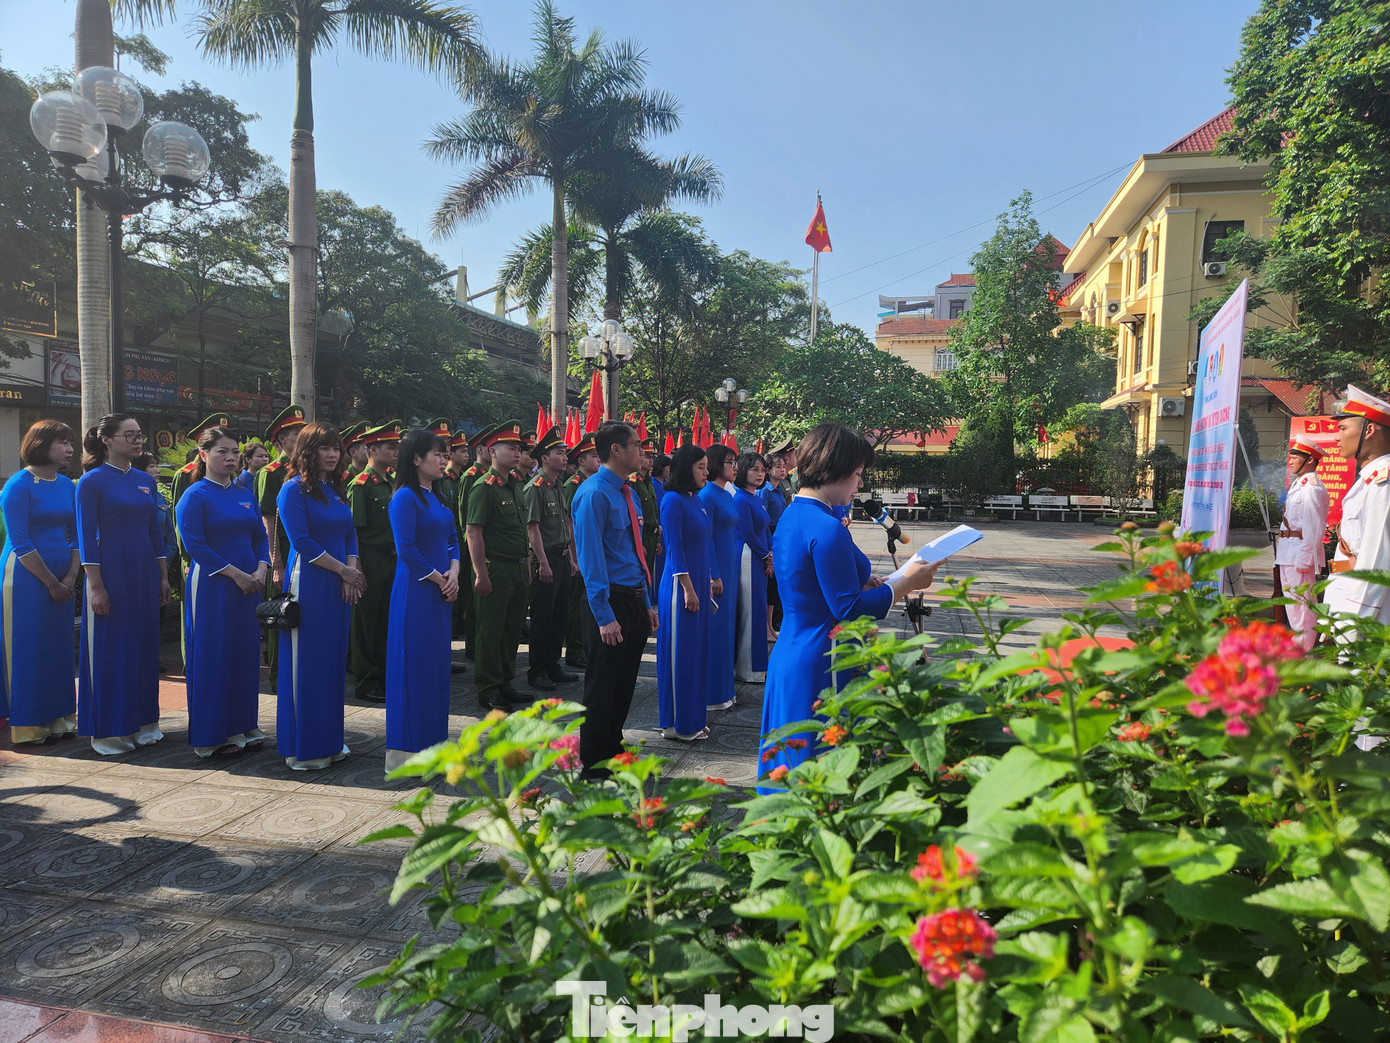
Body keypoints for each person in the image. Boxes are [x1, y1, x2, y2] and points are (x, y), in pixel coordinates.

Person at [757, 423, 939, 793]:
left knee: (789, 767)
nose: (858, 484)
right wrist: (906, 582)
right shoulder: (828, 527)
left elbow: (811, 581)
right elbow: (850, 609)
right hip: (825, 657)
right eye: (856, 474)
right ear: (835, 470)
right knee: (823, 775)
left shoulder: (795, 515)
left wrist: (862, 580)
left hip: (793, 648)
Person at [76, 414, 172, 754]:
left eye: (139, 434)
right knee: (112, 649)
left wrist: (163, 576)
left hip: (145, 572)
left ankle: (145, 724)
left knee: (144, 648)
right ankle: (111, 730)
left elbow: (154, 533)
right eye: (129, 435)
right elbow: (86, 538)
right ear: (107, 440)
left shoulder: (145, 480)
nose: (137, 440)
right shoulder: (91, 482)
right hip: (110, 572)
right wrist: (96, 586)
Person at [176, 426, 271, 757]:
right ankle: (211, 735)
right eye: (221, 452)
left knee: (244, 654)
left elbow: (260, 536)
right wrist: (236, 575)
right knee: (213, 655)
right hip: (214, 585)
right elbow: (195, 545)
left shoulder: (244, 493)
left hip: (250, 584)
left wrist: (260, 568)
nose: (230, 458)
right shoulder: (196, 495)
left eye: (234, 452)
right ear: (204, 456)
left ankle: (243, 724)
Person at [571, 421, 659, 774]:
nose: (642, 452)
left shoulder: (628, 492)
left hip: (633, 598)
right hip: (608, 603)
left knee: (623, 684)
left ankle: (614, 748)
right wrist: (604, 615)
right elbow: (591, 560)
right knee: (601, 685)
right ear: (616, 450)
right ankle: (593, 762)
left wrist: (647, 601)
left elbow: (637, 554)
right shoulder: (594, 494)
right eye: (637, 445)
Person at [277, 422, 364, 769]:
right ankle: (305, 748)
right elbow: (302, 542)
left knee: (331, 665)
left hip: (340, 584)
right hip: (311, 583)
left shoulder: (336, 489)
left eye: (335, 448)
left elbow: (350, 533)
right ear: (307, 452)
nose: (332, 454)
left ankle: (330, 739)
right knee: (308, 665)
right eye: (324, 448)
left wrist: (351, 571)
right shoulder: (293, 490)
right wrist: (344, 570)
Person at [385, 427, 460, 773]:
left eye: (445, 454)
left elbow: (452, 539)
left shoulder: (439, 497)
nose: (444, 460)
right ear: (416, 458)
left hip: (442, 589)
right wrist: (439, 577)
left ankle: (435, 743)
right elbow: (406, 549)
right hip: (416, 591)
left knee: (435, 667)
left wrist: (455, 572)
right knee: (412, 666)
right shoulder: (405, 497)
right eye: (438, 454)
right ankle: (408, 751)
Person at [1, 420, 80, 744]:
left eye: (70, 442)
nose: (70, 448)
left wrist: (71, 576)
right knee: (29, 648)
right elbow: (20, 543)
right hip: (25, 577)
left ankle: (60, 719)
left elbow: (76, 537)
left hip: (64, 575)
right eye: (62, 442)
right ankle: (30, 725)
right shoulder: (18, 485)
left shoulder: (67, 485)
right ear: (40, 444)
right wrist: (52, 583)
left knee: (59, 649)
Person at [467, 421, 531, 711]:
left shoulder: (516, 485)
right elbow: (473, 531)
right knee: (490, 631)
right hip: (495, 568)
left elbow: (521, 528)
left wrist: (527, 562)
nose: (517, 453)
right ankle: (488, 687)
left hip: (517, 567)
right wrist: (480, 572)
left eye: (519, 449)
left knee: (511, 629)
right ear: (492, 451)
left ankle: (505, 681)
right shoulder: (485, 487)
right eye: (511, 448)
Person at [656, 445, 719, 741]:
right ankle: (676, 724)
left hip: (698, 585)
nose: (706, 472)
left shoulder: (696, 500)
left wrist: (706, 581)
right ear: (685, 469)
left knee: (697, 653)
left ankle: (693, 717)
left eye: (706, 467)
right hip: (680, 588)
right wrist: (689, 589)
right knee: (680, 655)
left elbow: (704, 545)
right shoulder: (672, 501)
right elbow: (675, 549)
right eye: (700, 467)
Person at [1325, 386, 1390, 634]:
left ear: (1369, 430)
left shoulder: (1383, 483)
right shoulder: (1369, 480)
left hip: (1366, 619)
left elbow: (1376, 561)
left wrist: (1355, 624)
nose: (1336, 437)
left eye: (1342, 428)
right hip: (1348, 604)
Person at [348, 420, 402, 701]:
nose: (395, 452)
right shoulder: (361, 485)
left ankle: (382, 675)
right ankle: (366, 680)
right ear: (372, 449)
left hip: (392, 558)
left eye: (396, 447)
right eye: (390, 447)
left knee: (386, 619)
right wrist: (356, 569)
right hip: (369, 558)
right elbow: (354, 531)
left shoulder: (393, 481)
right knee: (366, 622)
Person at [256, 405, 307, 693]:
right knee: (281, 616)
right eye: (294, 433)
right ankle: (279, 679)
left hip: (306, 558)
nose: (300, 437)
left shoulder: (305, 470)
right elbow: (268, 519)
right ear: (279, 441)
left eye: (302, 431)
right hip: (285, 557)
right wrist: (276, 562)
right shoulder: (271, 473)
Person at [524, 426, 578, 691]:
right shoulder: (535, 487)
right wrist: (542, 562)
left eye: (566, 452)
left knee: (559, 616)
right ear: (544, 458)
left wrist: (571, 558)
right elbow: (532, 527)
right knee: (543, 618)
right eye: (559, 452)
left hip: (561, 557)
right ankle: (538, 669)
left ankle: (553, 663)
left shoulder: (557, 485)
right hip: (544, 560)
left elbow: (567, 524)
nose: (565, 457)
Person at [1275, 436, 1330, 651]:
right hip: (1288, 551)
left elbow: (1314, 527)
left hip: (1300, 554)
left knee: (1303, 607)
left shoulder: (1312, 488)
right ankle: (1298, 647)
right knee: (1293, 605)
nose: (1291, 461)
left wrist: (1306, 559)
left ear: (1309, 461)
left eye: (1296, 457)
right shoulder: (1300, 484)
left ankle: (1304, 653)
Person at [700, 443, 742, 711]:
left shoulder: (727, 494)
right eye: (730, 462)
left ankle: (726, 688)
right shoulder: (707, 495)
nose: (735, 467)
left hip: (731, 566)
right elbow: (705, 539)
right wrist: (714, 574)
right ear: (716, 464)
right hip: (717, 571)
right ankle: (712, 692)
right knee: (715, 631)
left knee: (728, 629)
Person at [732, 452, 773, 683]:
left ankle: (757, 666)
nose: (759, 474)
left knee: (757, 611)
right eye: (754, 469)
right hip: (747, 557)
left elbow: (765, 529)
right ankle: (747, 669)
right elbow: (747, 533)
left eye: (762, 470)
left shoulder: (756, 498)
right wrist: (766, 554)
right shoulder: (740, 499)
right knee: (749, 612)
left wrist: (770, 553)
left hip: (760, 557)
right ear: (743, 470)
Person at [563, 434, 599, 669]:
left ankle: (585, 645)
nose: (598, 461)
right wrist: (574, 556)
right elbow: (568, 523)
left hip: (588, 552)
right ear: (581, 460)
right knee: (576, 602)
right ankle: (574, 649)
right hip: (576, 553)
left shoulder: (593, 484)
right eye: (594, 457)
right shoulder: (573, 485)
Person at [758, 451, 792, 638]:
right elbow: (763, 521)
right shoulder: (764, 492)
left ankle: (770, 626)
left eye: (783, 466)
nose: (782, 469)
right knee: (769, 584)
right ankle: (766, 626)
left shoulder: (778, 490)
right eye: (778, 466)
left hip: (778, 537)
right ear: (768, 470)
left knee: (775, 585)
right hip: (769, 536)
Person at [629, 437, 662, 599]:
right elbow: (634, 514)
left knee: (648, 577)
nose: (650, 461)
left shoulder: (648, 482)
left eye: (652, 457)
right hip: (641, 537)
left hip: (651, 535)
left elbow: (653, 513)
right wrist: (639, 543)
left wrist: (656, 539)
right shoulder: (633, 482)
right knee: (639, 577)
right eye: (647, 457)